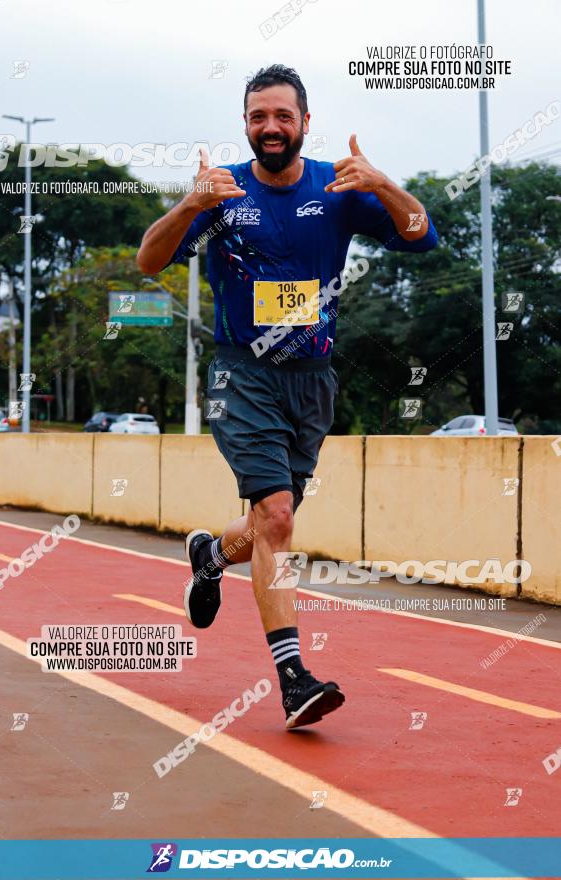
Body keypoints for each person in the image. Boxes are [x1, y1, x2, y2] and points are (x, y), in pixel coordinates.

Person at [137, 64, 438, 730]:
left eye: (281, 116)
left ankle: (209, 557)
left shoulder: (338, 189)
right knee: (276, 516)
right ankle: (293, 677)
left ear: (305, 122)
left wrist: (382, 181)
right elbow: (148, 262)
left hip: (312, 380)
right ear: (244, 124)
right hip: (239, 373)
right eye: (256, 117)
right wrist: (189, 204)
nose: (268, 128)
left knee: (268, 526)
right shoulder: (221, 195)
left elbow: (422, 235)